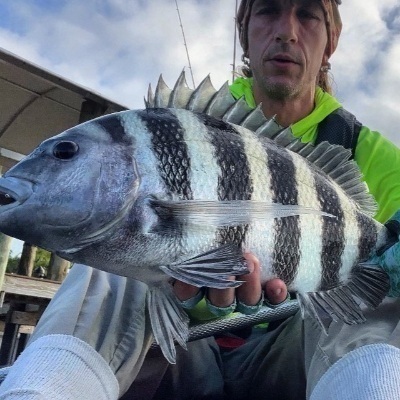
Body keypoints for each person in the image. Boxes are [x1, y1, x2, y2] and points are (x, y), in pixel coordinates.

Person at [1, 0, 400, 399]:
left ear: (332, 40)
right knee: (107, 265)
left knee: (381, 301)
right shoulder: (175, 125)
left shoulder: (379, 158)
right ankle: (45, 388)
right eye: (268, 11)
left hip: (296, 364)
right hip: (181, 356)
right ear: (243, 31)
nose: (287, 31)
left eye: (308, 14)